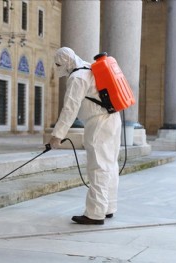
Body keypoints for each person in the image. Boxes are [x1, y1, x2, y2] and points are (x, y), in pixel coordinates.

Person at [49, 47, 121, 225]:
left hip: (98, 123)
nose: (59, 68)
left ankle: (95, 213)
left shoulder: (77, 77)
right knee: (110, 163)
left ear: (65, 62)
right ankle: (108, 207)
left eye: (59, 64)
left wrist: (57, 135)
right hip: (113, 118)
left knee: (98, 166)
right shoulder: (90, 68)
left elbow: (69, 109)